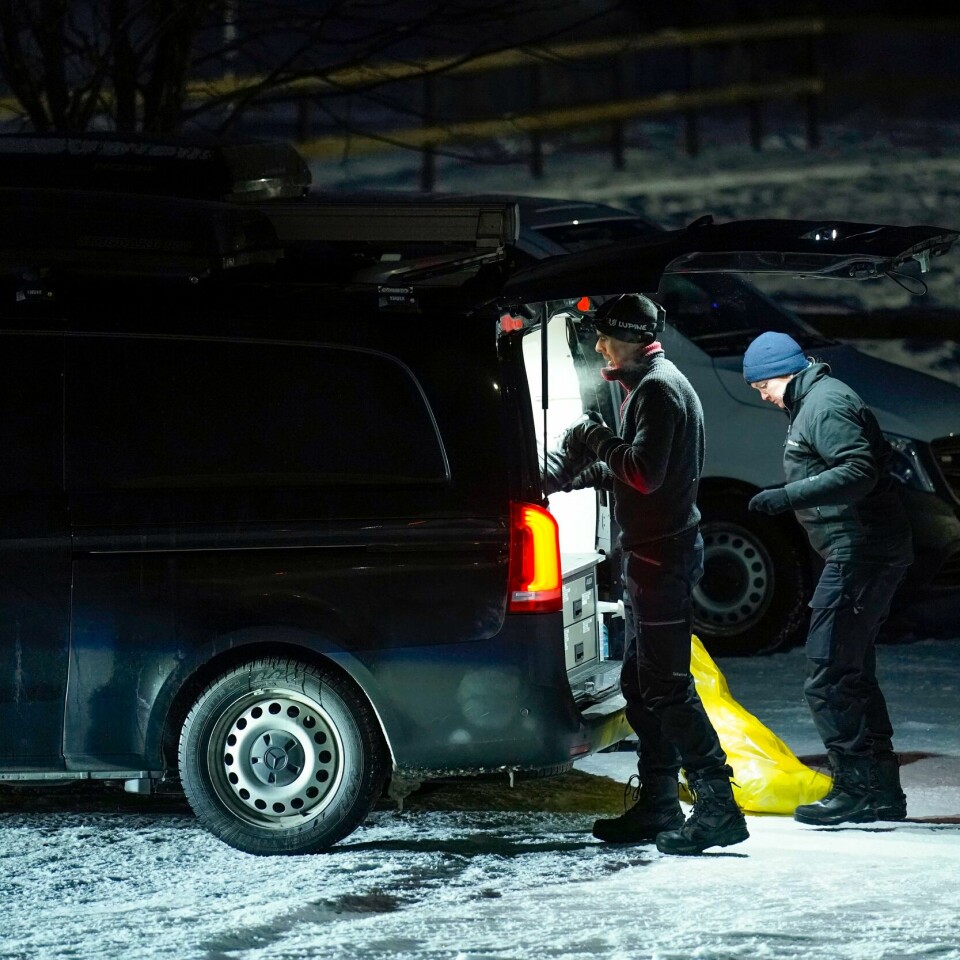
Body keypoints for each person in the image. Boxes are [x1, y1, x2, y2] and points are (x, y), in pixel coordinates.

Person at [545, 293, 748, 855]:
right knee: (639, 684)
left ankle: (718, 806)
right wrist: (579, 475)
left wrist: (591, 439)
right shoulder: (649, 385)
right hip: (650, 556)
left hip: (663, 559)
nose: (599, 346)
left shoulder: (659, 389)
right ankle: (659, 803)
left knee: (665, 685)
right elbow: (636, 470)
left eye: (607, 337)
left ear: (633, 337)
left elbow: (644, 472)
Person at [742, 331, 913, 825]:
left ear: (782, 372)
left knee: (830, 675)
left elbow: (857, 471)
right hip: (861, 551)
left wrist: (785, 495)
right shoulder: (815, 401)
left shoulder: (824, 405)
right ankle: (881, 792)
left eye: (762, 386)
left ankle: (856, 788)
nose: (763, 396)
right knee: (851, 671)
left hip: (861, 554)